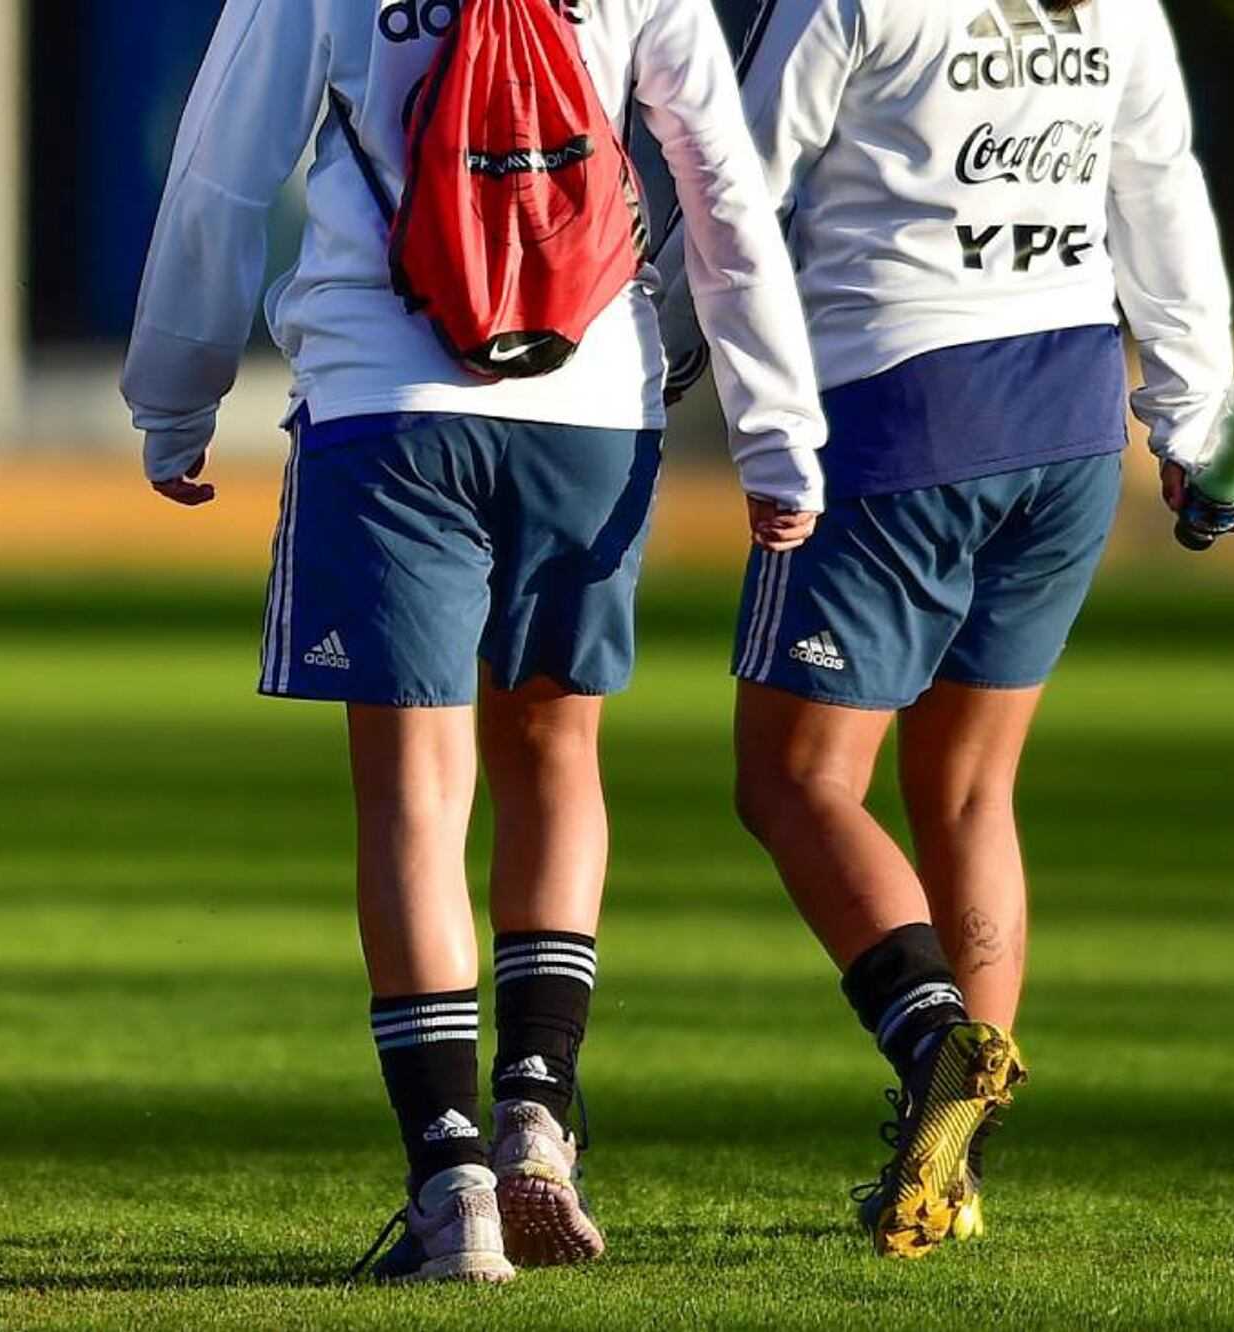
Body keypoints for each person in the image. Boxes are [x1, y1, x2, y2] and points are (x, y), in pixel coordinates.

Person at [123, 0, 827, 1283]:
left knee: (415, 787)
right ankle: (536, 1113)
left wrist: (174, 395)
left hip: (385, 396)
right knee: (554, 752)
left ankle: (450, 1181)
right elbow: (717, 176)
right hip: (590, 397)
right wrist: (775, 425)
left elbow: (223, 166)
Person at [659, 0, 1234, 1260]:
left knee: (796, 781)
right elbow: (1160, 193)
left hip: (899, 405)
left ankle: (934, 1037)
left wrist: (656, 352)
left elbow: (729, 181)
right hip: (1070, 415)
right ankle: (952, 1170)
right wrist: (1195, 421)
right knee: (971, 792)